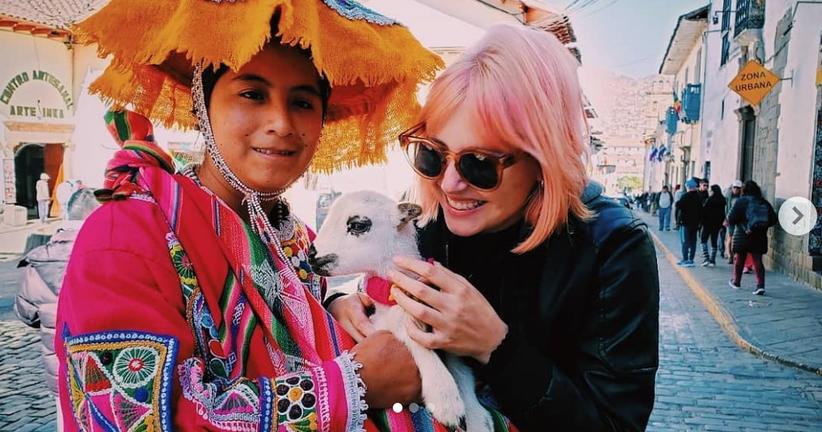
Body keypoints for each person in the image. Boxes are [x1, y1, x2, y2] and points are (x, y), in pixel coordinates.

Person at [55, 1, 453, 430]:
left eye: (302, 102)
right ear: (202, 104)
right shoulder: (124, 237)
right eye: (252, 94)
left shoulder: (295, 238)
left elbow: (298, 335)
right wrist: (351, 385)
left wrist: (336, 309)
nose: (281, 122)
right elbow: (130, 418)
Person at [329, 25, 659, 430]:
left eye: (479, 163)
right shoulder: (428, 218)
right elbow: (376, 282)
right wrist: (344, 305)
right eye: (434, 154)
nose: (450, 184)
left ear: (544, 158)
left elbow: (614, 424)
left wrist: (496, 347)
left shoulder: (614, 245)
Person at [15, 188, 99, 432]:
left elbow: (25, 313)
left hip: (59, 367)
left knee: (65, 421)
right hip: (97, 364)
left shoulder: (40, 260)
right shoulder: (101, 254)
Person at [728, 180, 777, 295]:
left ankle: (736, 282)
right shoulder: (763, 202)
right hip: (759, 236)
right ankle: (760, 286)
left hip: (743, 235)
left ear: (744, 190)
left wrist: (742, 224)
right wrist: (761, 226)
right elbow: (773, 219)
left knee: (740, 259)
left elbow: (731, 219)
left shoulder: (741, 201)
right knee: (758, 260)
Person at [675, 179, 702, 267]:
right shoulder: (698, 197)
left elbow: (678, 205)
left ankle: (685, 259)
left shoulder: (685, 196)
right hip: (695, 223)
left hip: (685, 223)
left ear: (688, 187)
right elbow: (701, 210)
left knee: (685, 241)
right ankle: (691, 259)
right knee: (693, 241)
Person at [699, 185, 726, 267]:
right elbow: (723, 213)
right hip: (717, 225)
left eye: (711, 191)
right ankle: (712, 260)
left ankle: (706, 258)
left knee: (703, 240)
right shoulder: (722, 200)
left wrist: (701, 222)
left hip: (707, 223)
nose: (709, 192)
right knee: (714, 241)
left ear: (713, 191)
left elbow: (704, 211)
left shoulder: (709, 200)